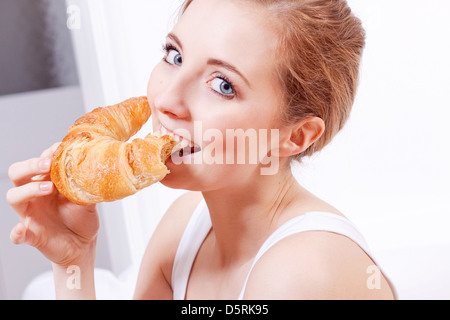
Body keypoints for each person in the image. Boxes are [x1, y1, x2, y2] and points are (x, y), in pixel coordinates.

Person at [6, 0, 395, 299]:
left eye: (223, 84)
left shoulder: (302, 273)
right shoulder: (187, 226)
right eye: (174, 55)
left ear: (295, 137)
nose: (167, 100)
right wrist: (75, 260)